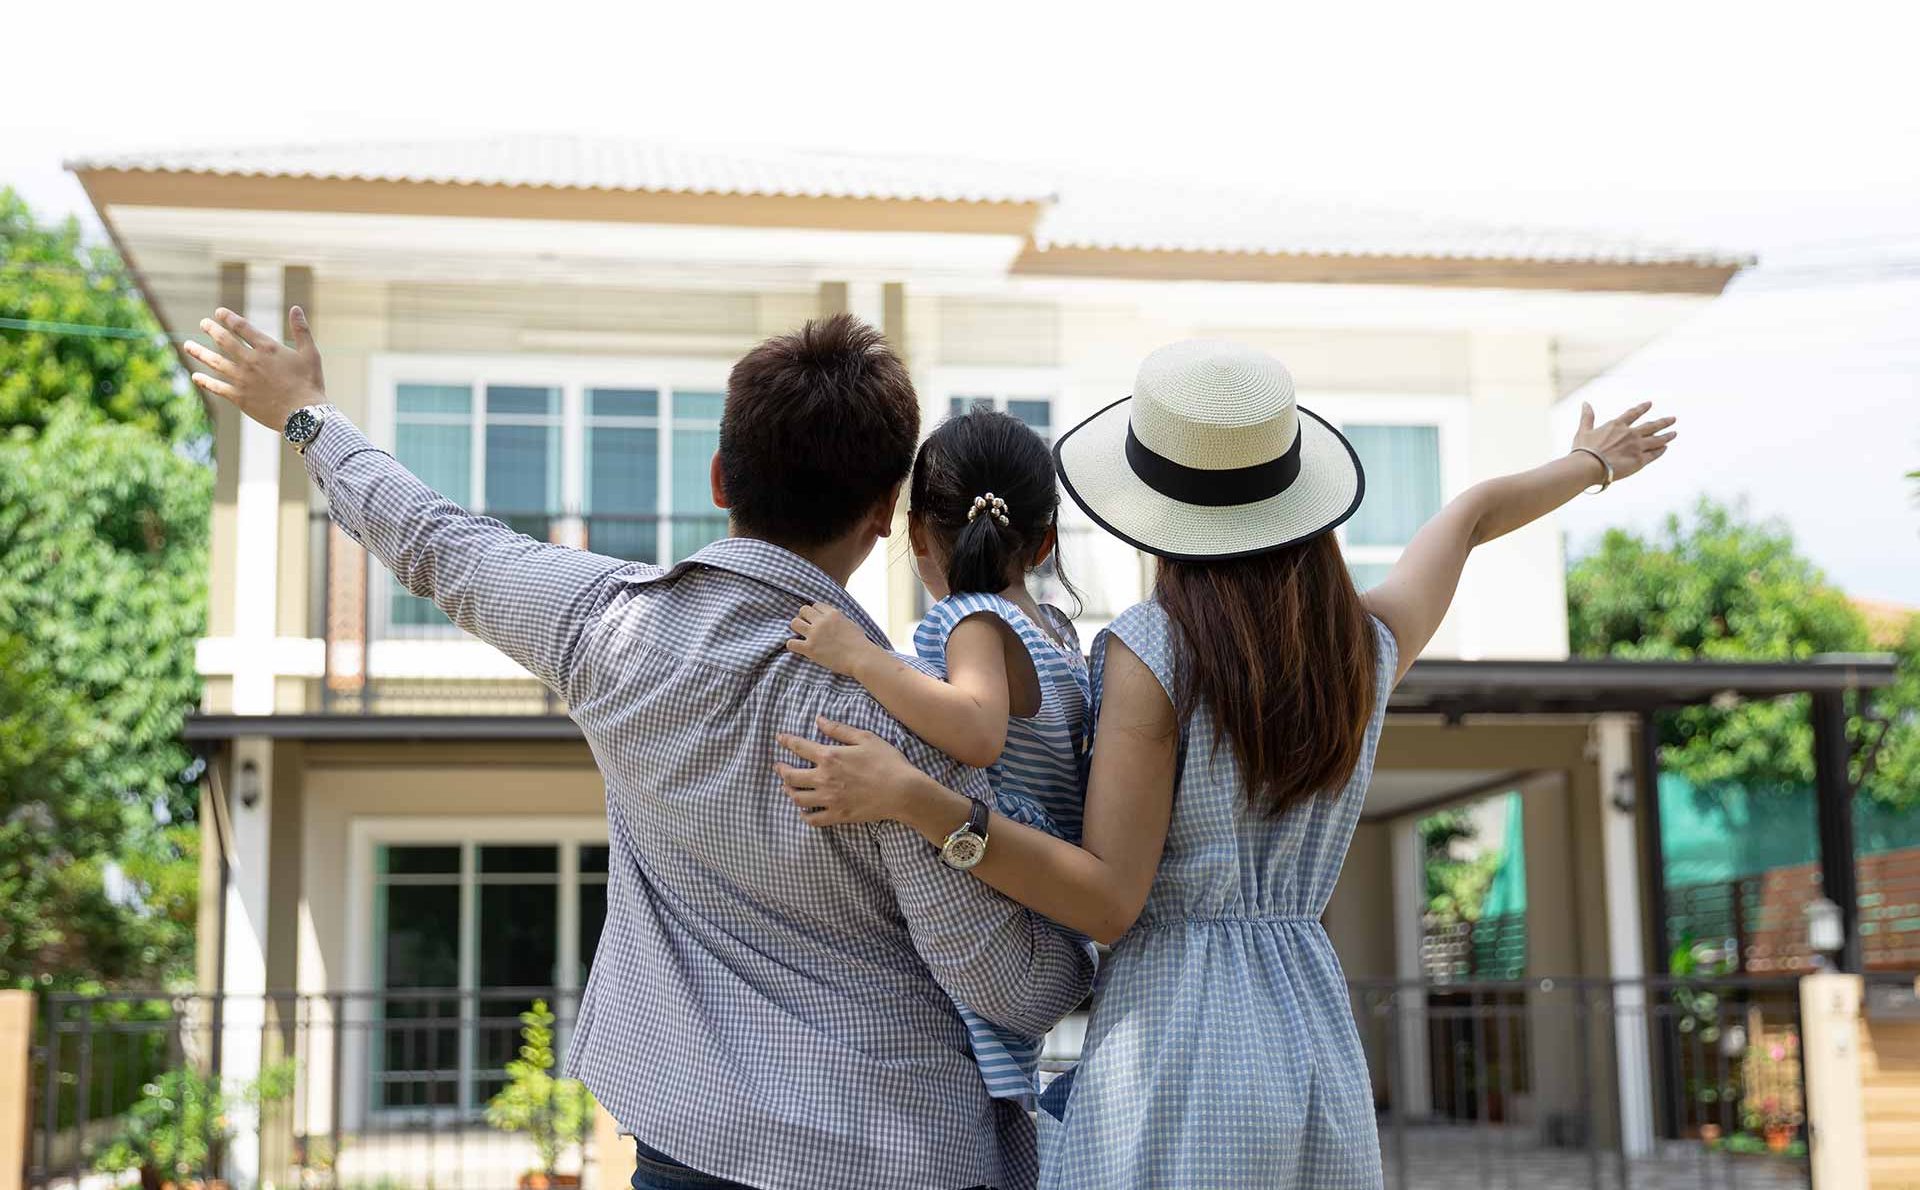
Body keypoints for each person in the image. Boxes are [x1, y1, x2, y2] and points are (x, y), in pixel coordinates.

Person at [184, 308, 1096, 1190]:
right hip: (894, 1150)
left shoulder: (603, 628)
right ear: (885, 513)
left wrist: (305, 417)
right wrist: (1076, 946)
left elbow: (436, 542)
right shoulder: (896, 728)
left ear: (718, 480)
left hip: (687, 1144)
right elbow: (1016, 990)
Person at [771, 339, 1676, 1189]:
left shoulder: (1151, 650)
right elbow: (1468, 518)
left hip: (1176, 1051)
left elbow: (1107, 899)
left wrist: (921, 804)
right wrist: (1590, 465)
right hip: (1314, 1031)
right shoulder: (1360, 644)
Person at [784, 406, 1094, 1107]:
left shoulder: (972, 619)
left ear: (917, 532)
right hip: (1048, 894)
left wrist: (861, 658)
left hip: (1002, 885)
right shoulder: (1059, 638)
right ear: (1044, 545)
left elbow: (977, 731)